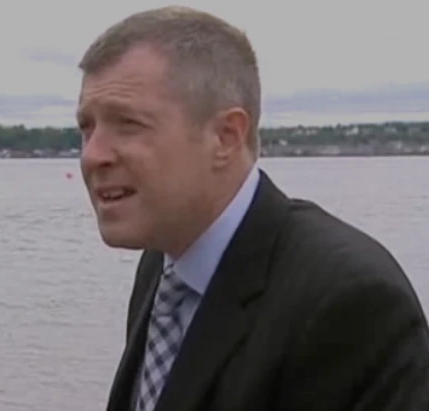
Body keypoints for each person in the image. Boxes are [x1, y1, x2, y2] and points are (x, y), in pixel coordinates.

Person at [75, 5, 429, 411]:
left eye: (128, 124)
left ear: (225, 137)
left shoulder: (350, 302)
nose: (92, 155)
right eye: (87, 127)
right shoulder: (162, 263)